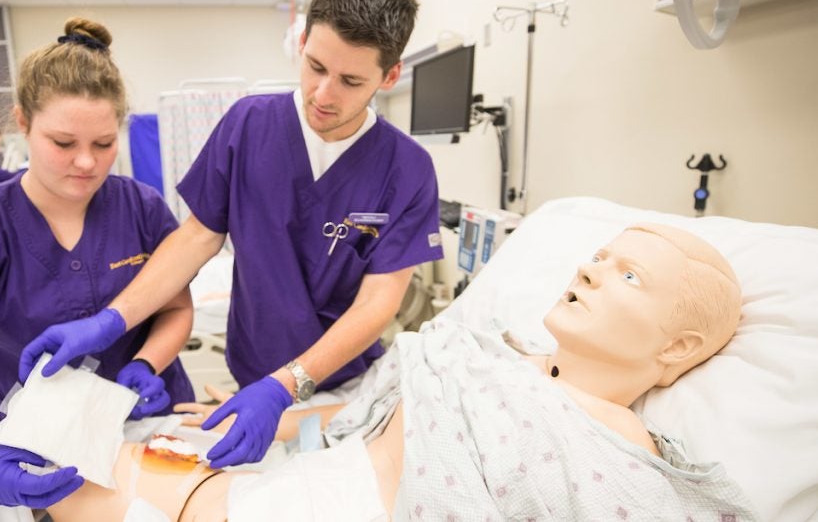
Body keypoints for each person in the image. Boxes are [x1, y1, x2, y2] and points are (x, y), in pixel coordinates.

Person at [19, 0, 444, 470]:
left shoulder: (408, 168)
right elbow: (197, 237)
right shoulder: (250, 126)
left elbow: (379, 303)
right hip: (253, 373)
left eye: (350, 80)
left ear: (390, 75)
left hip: (343, 386)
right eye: (315, 66)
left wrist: (289, 386)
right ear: (304, 40)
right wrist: (112, 320)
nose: (323, 95)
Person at [41, 223, 755, 520]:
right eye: (599, 256)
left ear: (676, 349)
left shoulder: (624, 452)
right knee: (91, 460)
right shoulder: (483, 350)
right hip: (313, 472)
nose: (592, 269)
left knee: (80, 485)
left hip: (349, 507)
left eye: (628, 275)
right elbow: (373, 412)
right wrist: (268, 411)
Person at [0, 17, 197, 509]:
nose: (87, 164)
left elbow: (175, 309)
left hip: (148, 420)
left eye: (103, 144)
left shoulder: (141, 206)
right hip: (41, 442)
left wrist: (146, 363)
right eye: (63, 143)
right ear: (23, 123)